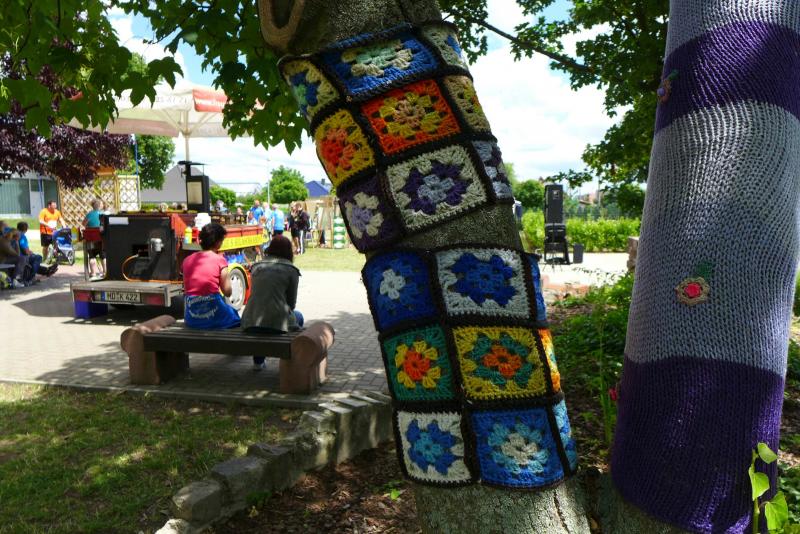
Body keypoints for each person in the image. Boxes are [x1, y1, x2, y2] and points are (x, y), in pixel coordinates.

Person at [241, 235, 304, 370]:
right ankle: (287, 360)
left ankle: (258, 362)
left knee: (261, 327)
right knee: (299, 317)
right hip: (277, 324)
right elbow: (291, 304)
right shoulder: (291, 270)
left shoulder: (256, 267)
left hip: (250, 320)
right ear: (288, 251)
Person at [181, 223, 241, 329]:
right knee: (235, 316)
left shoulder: (187, 260)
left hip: (192, 318)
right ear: (218, 242)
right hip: (214, 315)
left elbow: (187, 289)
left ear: (201, 240)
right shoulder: (220, 260)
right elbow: (227, 292)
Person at [81, 199, 105, 278]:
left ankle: (93, 273)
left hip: (90, 238)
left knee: (91, 256)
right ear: (100, 205)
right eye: (102, 204)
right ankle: (105, 272)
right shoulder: (103, 214)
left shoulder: (89, 214)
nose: (103, 205)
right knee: (103, 256)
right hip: (101, 239)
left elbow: (83, 224)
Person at [38, 200, 66, 264]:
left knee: (56, 245)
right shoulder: (44, 211)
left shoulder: (57, 212)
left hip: (54, 232)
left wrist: (64, 226)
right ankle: (44, 258)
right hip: (45, 232)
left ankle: (56, 257)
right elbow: (41, 221)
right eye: (53, 205)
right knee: (45, 247)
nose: (55, 206)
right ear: (49, 206)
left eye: (55, 205)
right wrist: (48, 225)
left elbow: (61, 219)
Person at [0, 223, 27, 288]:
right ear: (16, 237)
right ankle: (15, 280)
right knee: (22, 259)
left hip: (3, 259)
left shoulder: (4, 240)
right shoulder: (5, 242)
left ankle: (14, 279)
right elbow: (17, 255)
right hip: (1, 261)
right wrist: (17, 242)